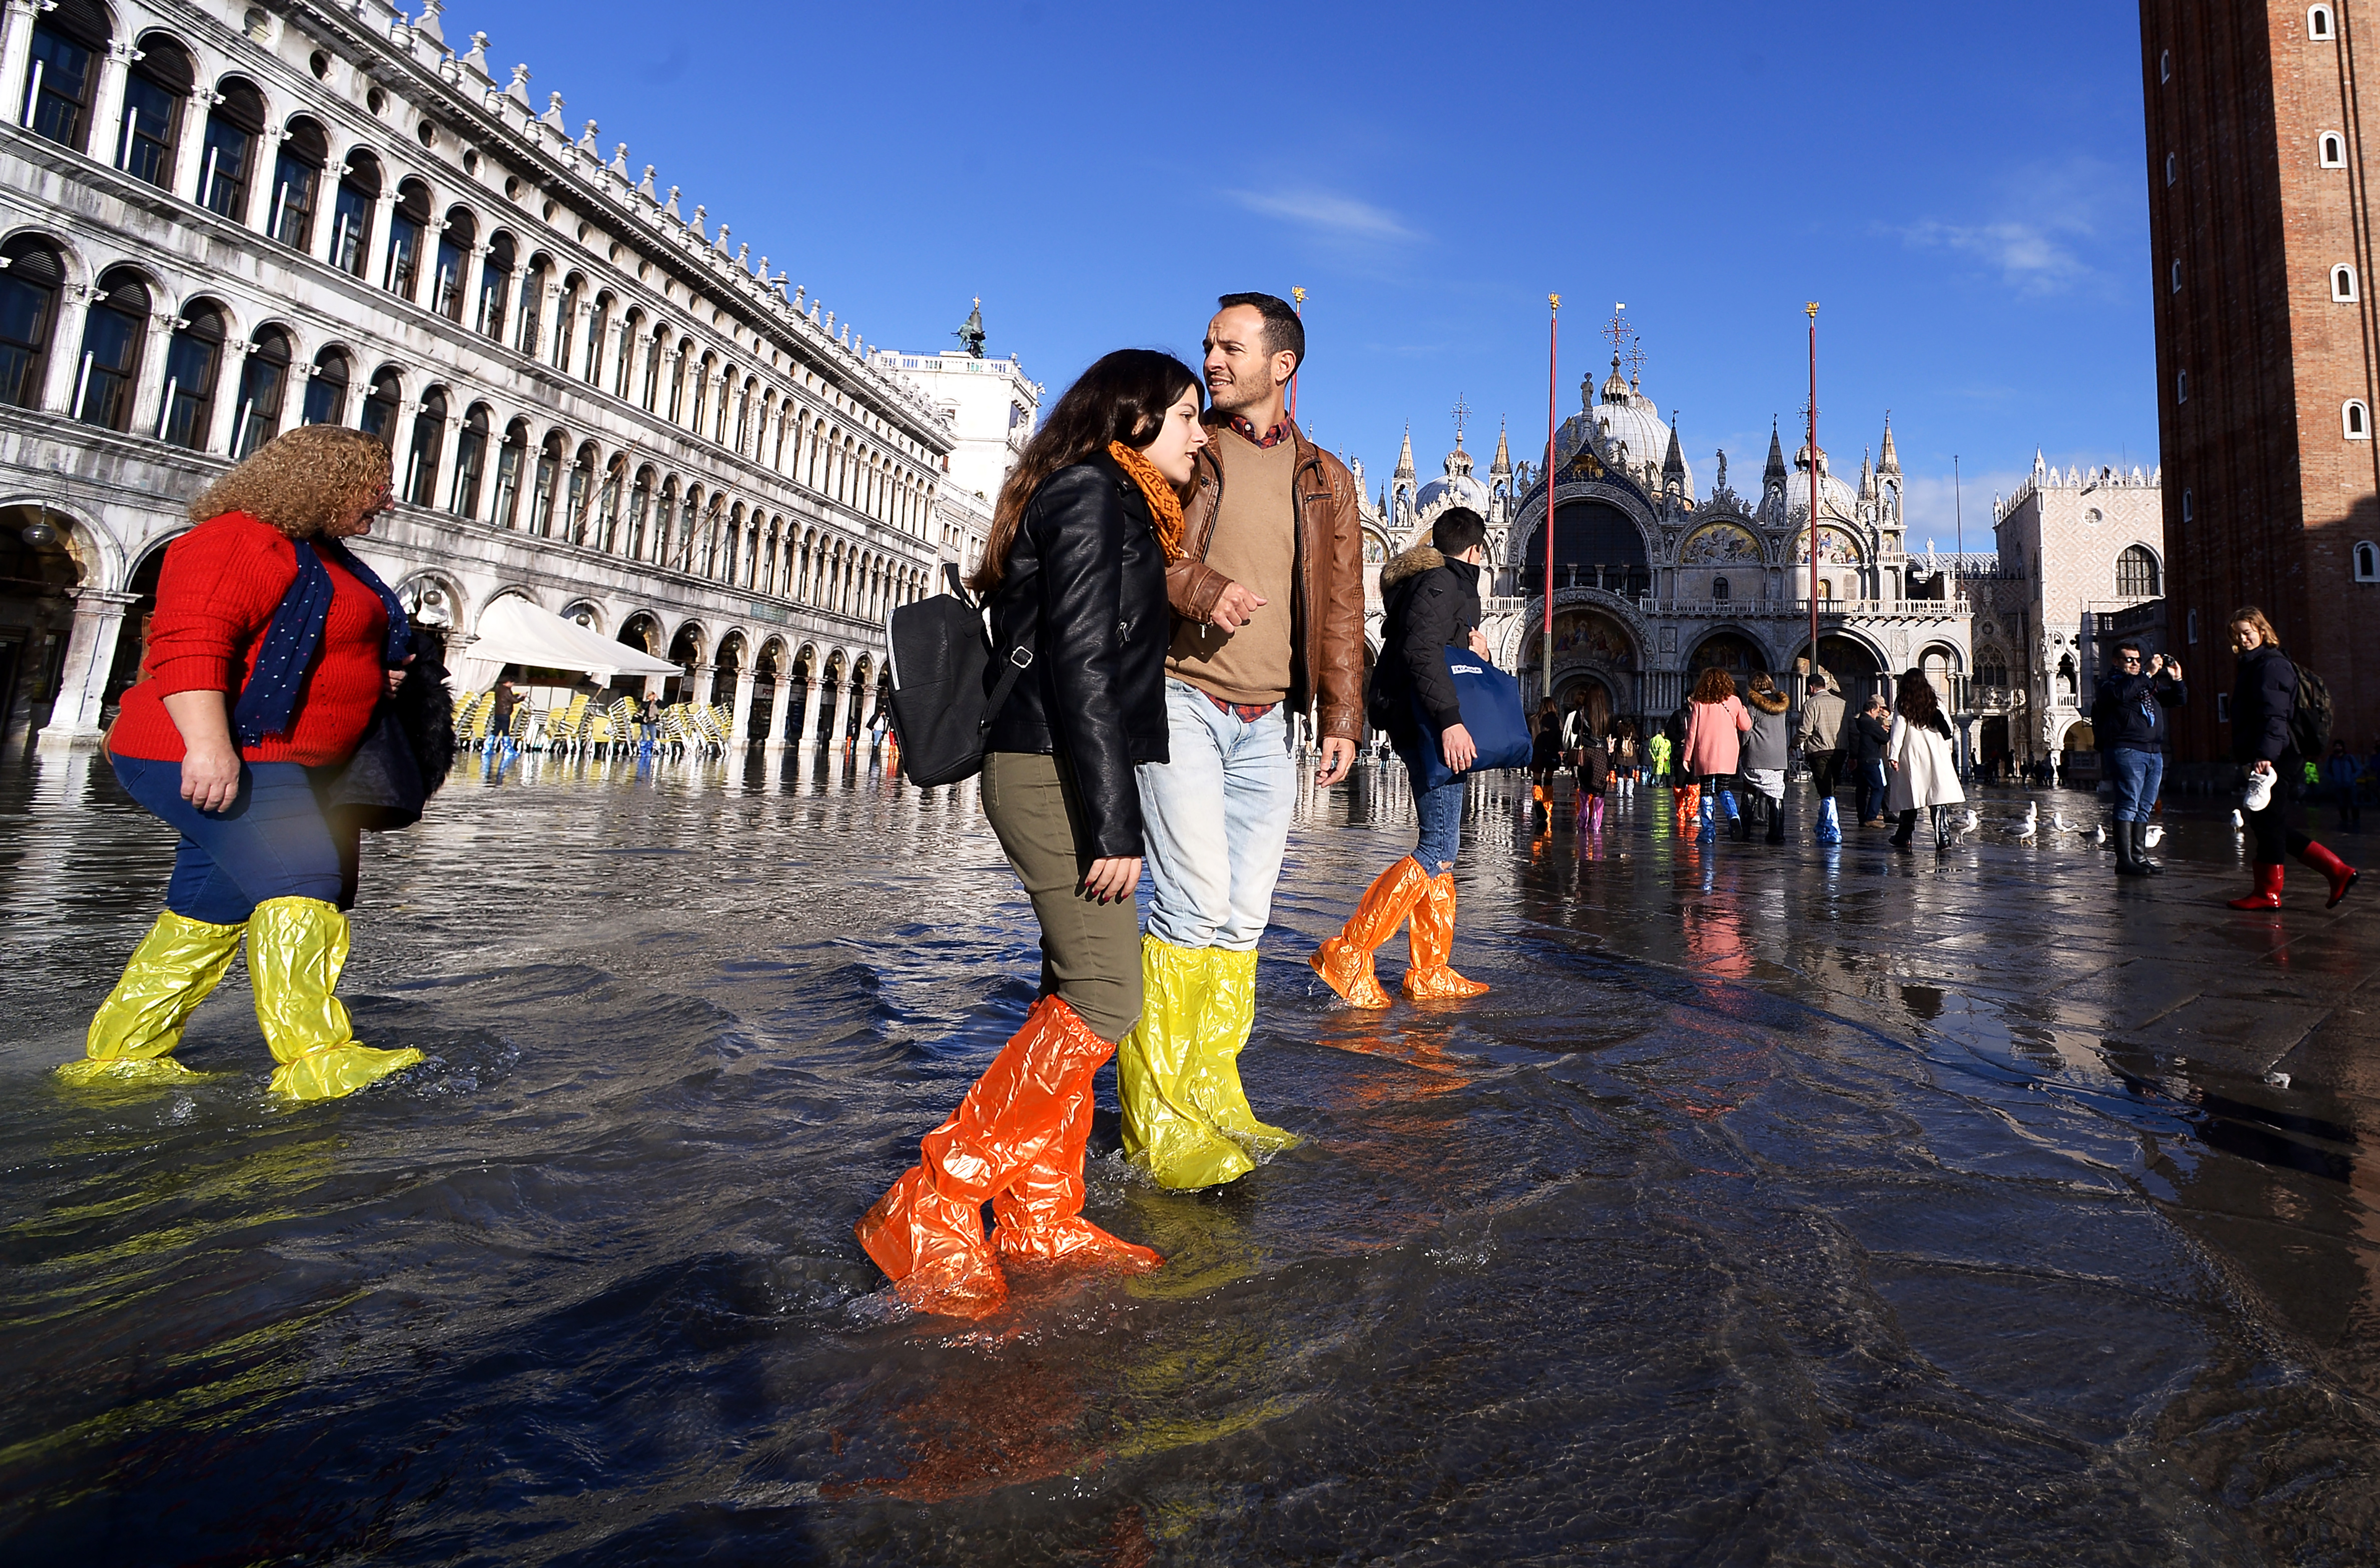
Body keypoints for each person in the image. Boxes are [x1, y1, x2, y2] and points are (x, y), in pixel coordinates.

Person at [855, 349, 1201, 1317]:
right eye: (1184, 414)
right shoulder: (1093, 493)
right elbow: (1081, 663)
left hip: (1060, 763)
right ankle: (936, 1195)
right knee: (1104, 996)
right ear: (1131, 416)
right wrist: (1111, 821)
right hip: (1052, 768)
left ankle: (1042, 1213)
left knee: (1070, 984)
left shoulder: (1099, 497)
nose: (1198, 433)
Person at [58, 426, 425, 1101]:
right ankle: (317, 1058)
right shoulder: (233, 539)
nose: (388, 501)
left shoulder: (324, 555)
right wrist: (209, 745)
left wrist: (374, 677)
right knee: (307, 878)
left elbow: (322, 646)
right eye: (375, 487)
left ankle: (123, 1051)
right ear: (326, 483)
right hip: (208, 749)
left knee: (211, 908)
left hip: (281, 757)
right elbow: (190, 644)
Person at [1117, 292, 1365, 1191]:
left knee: (1243, 912)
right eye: (1208, 345)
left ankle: (1214, 1091)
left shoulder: (1325, 477)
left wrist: (1341, 716)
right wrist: (1199, 588)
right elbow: (1137, 546)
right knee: (1190, 901)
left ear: (1281, 364)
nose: (1210, 359)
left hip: (1269, 722)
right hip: (1181, 695)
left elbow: (1339, 604)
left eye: (1229, 346)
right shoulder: (1189, 446)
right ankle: (1159, 1118)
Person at [1312, 508, 1496, 1010]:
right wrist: (1451, 720)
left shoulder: (1430, 582)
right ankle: (1349, 951)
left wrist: (1472, 649)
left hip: (1425, 723)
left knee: (1441, 851)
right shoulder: (1443, 583)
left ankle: (1430, 969)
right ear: (1477, 550)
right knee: (1435, 847)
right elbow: (1421, 652)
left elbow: (1434, 649)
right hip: (1431, 727)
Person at [2224, 607, 2358, 909]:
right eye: (2237, 634)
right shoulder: (2254, 665)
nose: (2243, 639)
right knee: (2266, 821)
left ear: (2261, 631)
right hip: (2273, 753)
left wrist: (2265, 756)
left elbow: (2275, 715)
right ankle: (2337, 871)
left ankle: (2269, 893)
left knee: (2268, 822)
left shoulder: (2271, 665)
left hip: (2280, 754)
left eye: (2248, 632)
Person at [2095, 641, 2187, 877]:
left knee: (2145, 806)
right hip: (2127, 750)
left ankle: (2139, 857)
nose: (2136, 663)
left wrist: (2177, 679)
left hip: (2153, 752)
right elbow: (2122, 694)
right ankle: (2124, 861)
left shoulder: (2145, 687)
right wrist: (2147, 673)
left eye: (2138, 660)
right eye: (2130, 660)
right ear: (2116, 662)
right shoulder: (2109, 685)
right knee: (2128, 803)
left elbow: (2178, 700)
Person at [1886, 668, 1965, 851]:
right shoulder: (1935, 702)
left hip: (1912, 752)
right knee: (1937, 795)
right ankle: (1943, 836)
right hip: (1935, 752)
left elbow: (1898, 730)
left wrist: (1894, 755)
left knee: (1910, 794)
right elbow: (1949, 729)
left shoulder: (1903, 703)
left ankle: (1905, 835)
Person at [1680, 669, 1752, 842]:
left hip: (1705, 751)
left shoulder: (1699, 703)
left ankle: (1709, 831)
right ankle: (1734, 817)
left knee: (1706, 790)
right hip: (1728, 752)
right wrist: (1742, 709)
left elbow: (1692, 732)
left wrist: (1687, 756)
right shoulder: (1734, 701)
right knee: (1723, 788)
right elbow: (1746, 726)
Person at [1797, 671, 1848, 843]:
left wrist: (1794, 744)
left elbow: (1805, 730)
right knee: (1830, 789)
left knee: (1825, 791)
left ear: (1811, 688)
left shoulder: (1811, 704)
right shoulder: (1842, 703)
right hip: (1840, 751)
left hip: (1819, 752)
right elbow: (1851, 729)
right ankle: (1822, 827)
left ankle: (1833, 832)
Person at [1742, 671, 1791, 844]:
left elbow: (1747, 731)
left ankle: (1745, 830)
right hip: (1778, 758)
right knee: (1777, 793)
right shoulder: (1781, 705)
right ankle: (1777, 833)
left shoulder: (1753, 705)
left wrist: (1741, 747)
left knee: (1749, 791)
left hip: (1758, 754)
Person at [1852, 696, 1892, 827]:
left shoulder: (1858, 721)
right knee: (1878, 788)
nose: (1877, 715)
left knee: (1863, 790)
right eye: (1876, 712)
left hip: (1861, 758)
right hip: (1871, 758)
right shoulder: (1870, 722)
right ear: (1871, 711)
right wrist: (1884, 731)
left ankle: (1863, 816)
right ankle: (1870, 817)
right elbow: (1884, 738)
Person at [2323, 739, 2365, 831]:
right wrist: (2334, 779)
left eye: (2340, 746)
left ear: (2343, 748)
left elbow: (2358, 769)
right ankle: (2344, 821)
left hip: (2350, 785)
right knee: (2342, 804)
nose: (2338, 748)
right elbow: (2327, 771)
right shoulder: (2331, 759)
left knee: (2354, 803)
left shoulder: (2349, 758)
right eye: (2336, 746)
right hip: (2338, 786)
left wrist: (2352, 778)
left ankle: (2356, 821)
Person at [1609, 718, 1638, 799]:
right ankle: (1630, 793)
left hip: (1620, 754)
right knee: (1630, 775)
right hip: (1631, 755)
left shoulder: (1619, 730)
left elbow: (1613, 735)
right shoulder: (1633, 731)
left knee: (1620, 774)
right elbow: (1636, 738)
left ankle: (1620, 792)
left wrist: (1618, 725)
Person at [1645, 723, 1672, 792]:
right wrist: (1663, 757)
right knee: (1660, 771)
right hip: (1662, 758)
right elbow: (1661, 750)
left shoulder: (1652, 739)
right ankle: (1658, 783)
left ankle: (1650, 783)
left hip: (1655, 758)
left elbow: (1650, 749)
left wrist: (1654, 757)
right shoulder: (1663, 741)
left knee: (1654, 770)